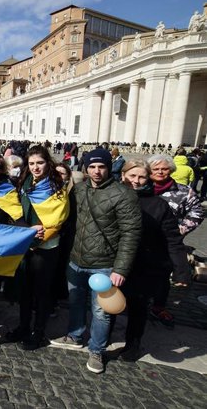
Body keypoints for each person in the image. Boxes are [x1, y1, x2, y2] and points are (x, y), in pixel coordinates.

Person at [50, 148, 141, 374]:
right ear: (86, 168)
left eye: (101, 166)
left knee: (101, 312)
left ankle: (97, 350)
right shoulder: (78, 190)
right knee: (76, 301)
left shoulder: (123, 194)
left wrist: (120, 268)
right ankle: (75, 335)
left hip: (104, 264)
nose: (96, 171)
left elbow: (131, 234)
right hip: (76, 260)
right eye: (92, 167)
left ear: (109, 167)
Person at [118, 160, 184, 361]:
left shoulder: (159, 204)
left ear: (148, 179)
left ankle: (133, 345)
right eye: (132, 176)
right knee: (110, 305)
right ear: (123, 176)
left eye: (141, 177)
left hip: (144, 264)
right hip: (113, 262)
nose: (136, 181)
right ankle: (101, 341)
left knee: (138, 307)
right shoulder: (112, 197)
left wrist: (181, 269)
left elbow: (172, 238)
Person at [7, 145, 69, 350]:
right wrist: (26, 233)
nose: (35, 167)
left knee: (42, 292)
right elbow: (17, 210)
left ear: (48, 163)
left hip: (46, 246)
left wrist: (35, 237)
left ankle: (38, 331)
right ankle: (23, 326)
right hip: (26, 243)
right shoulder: (24, 183)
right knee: (24, 290)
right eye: (32, 163)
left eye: (40, 163)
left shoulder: (57, 187)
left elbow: (57, 220)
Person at [147, 154, 203, 324]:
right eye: (156, 169)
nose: (160, 172)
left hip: (167, 242)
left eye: (164, 169)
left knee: (162, 276)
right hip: (141, 241)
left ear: (171, 170)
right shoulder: (142, 187)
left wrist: (182, 228)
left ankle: (158, 307)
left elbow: (197, 211)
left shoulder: (184, 191)